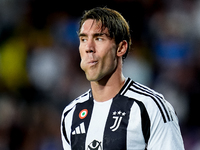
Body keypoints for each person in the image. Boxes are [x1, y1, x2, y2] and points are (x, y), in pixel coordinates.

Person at [61, 7, 185, 150]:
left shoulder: (150, 108)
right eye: (83, 39)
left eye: (99, 38)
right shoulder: (71, 114)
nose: (88, 47)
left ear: (121, 48)